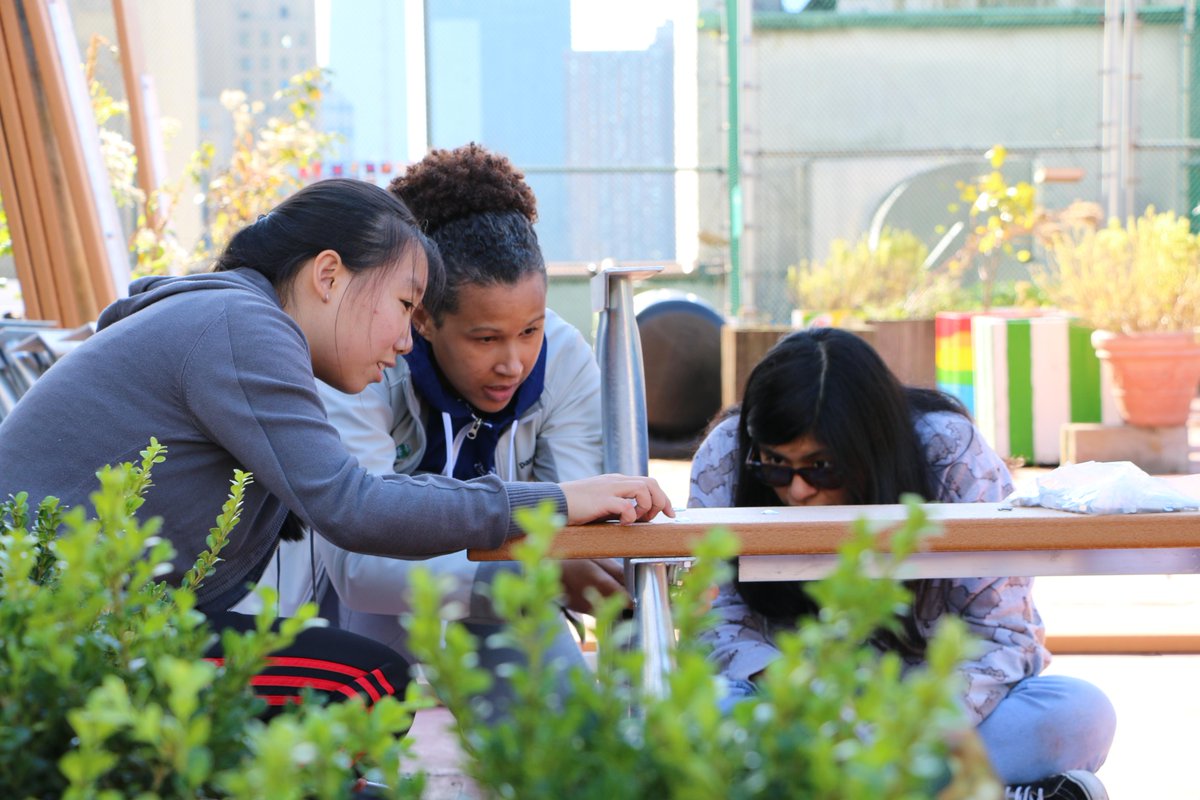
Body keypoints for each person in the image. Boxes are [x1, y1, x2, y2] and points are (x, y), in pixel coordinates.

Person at [0, 178, 670, 711]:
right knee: (365, 687)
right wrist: (550, 500)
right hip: (55, 625)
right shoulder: (244, 326)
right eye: (406, 306)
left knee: (353, 680)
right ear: (329, 276)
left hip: (81, 615)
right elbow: (356, 506)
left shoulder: (236, 321)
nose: (408, 341)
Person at [265, 144, 622, 719]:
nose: (513, 362)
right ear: (424, 318)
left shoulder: (565, 360)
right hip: (351, 602)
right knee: (336, 738)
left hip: (505, 593)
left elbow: (576, 526)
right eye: (485, 339)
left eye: (530, 330)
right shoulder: (360, 359)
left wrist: (566, 573)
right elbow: (358, 564)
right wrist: (535, 574)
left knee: (569, 739)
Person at [688, 328, 1115, 800]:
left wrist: (908, 727)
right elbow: (715, 621)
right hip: (792, 707)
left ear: (874, 447)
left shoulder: (948, 451)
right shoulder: (728, 453)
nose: (797, 490)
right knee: (711, 712)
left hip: (927, 709)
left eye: (822, 466)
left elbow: (1002, 632)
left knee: (1079, 713)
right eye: (774, 465)